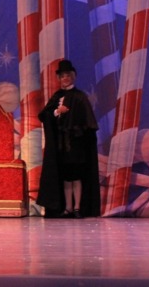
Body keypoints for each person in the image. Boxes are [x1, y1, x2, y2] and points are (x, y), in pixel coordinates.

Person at [36, 59, 101, 218]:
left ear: (72, 77)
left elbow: (88, 122)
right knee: (65, 177)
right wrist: (58, 111)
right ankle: (68, 207)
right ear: (59, 78)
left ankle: (78, 207)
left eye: (67, 75)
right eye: (62, 76)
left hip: (76, 144)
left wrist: (78, 131)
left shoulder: (80, 97)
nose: (65, 78)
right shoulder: (57, 96)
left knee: (76, 176)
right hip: (61, 145)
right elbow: (45, 115)